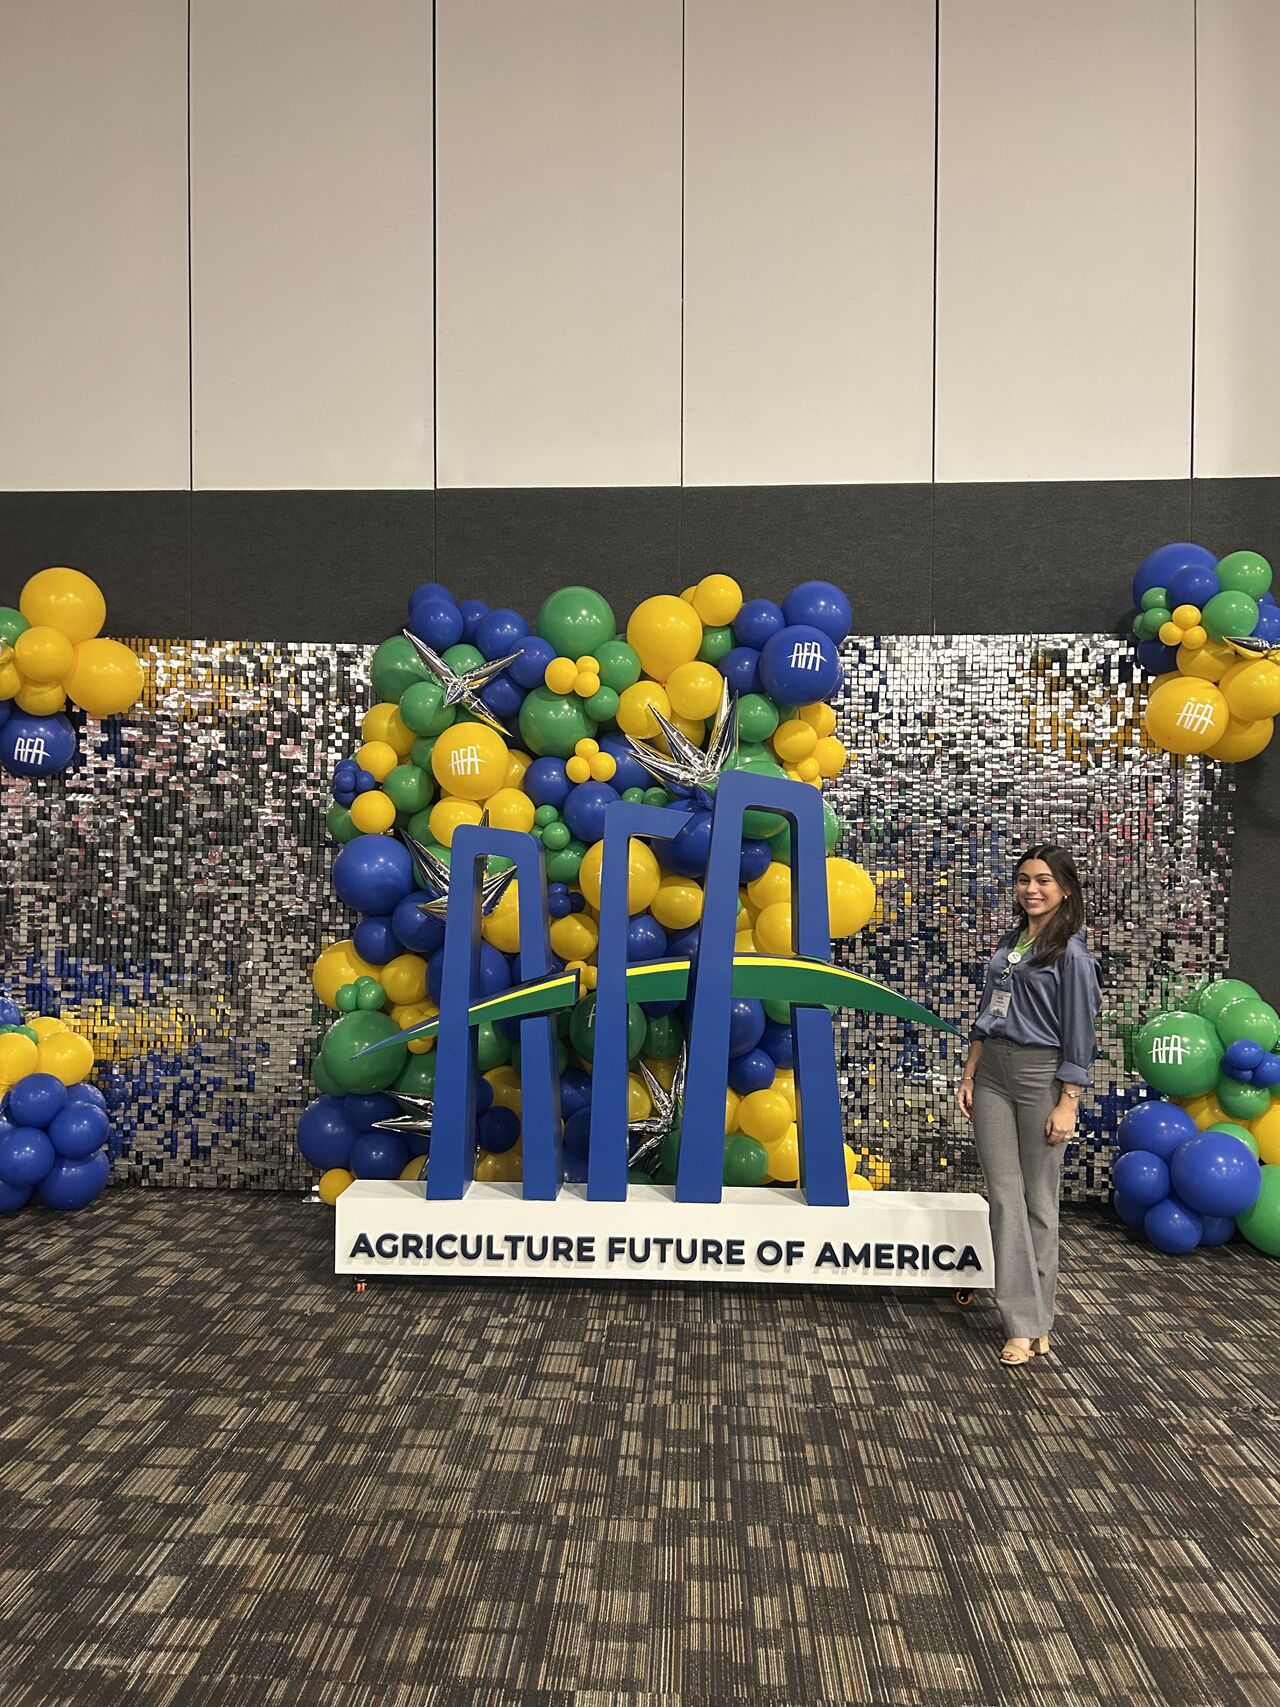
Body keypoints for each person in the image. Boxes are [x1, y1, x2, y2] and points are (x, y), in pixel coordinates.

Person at [955, 845, 1101, 1367]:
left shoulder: (1074, 956)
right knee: (1003, 1196)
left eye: (1042, 880)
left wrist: (1069, 1102)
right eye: (1022, 880)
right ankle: (1025, 1321)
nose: (1031, 889)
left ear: (1065, 889)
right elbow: (986, 1011)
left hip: (1043, 1076)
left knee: (1039, 1202)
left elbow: (1080, 1036)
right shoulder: (1010, 942)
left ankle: (1033, 1321)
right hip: (992, 1070)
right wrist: (970, 1072)